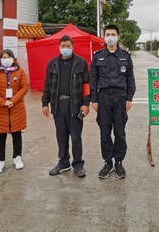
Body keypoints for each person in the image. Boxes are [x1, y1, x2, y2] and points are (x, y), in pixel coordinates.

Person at [90, 24, 136, 179]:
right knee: (104, 133)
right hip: (103, 99)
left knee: (120, 133)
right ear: (104, 37)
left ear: (118, 37)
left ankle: (119, 162)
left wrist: (129, 98)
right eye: (107, 34)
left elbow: (130, 79)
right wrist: (94, 99)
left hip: (120, 98)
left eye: (113, 34)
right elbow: (93, 80)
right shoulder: (97, 56)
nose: (110, 37)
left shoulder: (125, 56)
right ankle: (108, 162)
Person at [42, 35, 90, 177]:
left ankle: (78, 164)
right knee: (61, 136)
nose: (65, 49)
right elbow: (47, 85)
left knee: (76, 136)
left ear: (72, 47)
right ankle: (63, 162)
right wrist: (45, 103)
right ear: (59, 47)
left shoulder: (81, 63)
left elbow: (86, 85)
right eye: (63, 46)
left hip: (75, 104)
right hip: (58, 105)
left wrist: (86, 104)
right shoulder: (52, 64)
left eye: (68, 46)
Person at [0, 49, 29, 174]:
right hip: (1, 109)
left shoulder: (20, 71)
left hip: (17, 108)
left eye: (9, 57)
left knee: (17, 134)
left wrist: (14, 100)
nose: (6, 59)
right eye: (4, 57)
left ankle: (17, 157)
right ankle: (0, 160)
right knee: (1, 135)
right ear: (0, 59)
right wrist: (3, 102)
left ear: (13, 58)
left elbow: (25, 87)